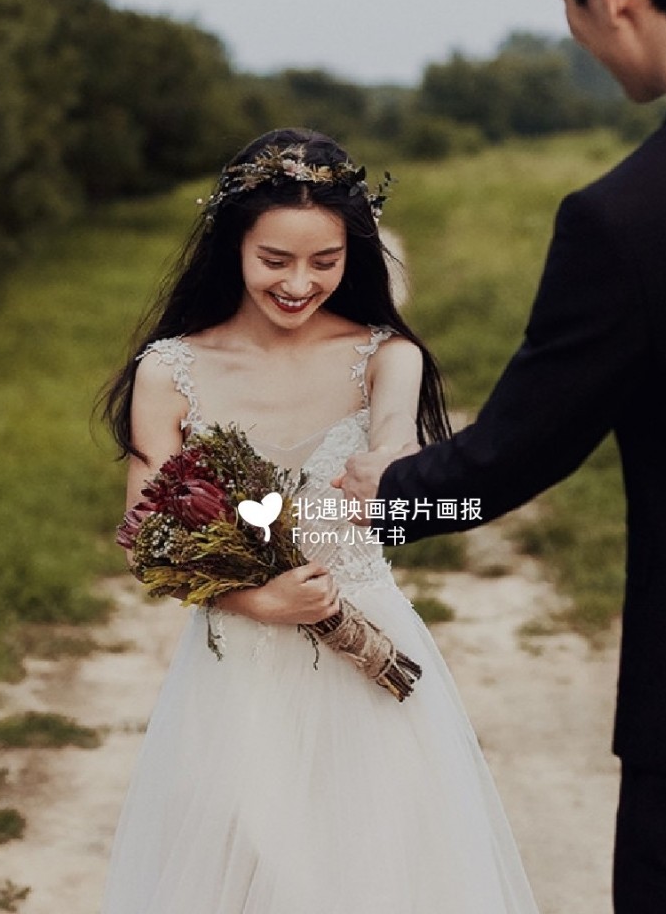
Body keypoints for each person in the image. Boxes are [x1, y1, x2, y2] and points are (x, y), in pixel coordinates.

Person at [340, 0, 666, 912]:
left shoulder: (631, 217)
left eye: (565, 0)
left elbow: (512, 455)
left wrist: (369, 498)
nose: (575, 31)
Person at [99, 127, 540, 914]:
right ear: (232, 247)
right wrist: (261, 602)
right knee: (252, 861)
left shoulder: (381, 357)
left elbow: (395, 440)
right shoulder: (169, 370)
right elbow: (146, 535)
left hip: (367, 653)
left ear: (354, 256)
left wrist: (391, 466)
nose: (299, 283)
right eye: (275, 260)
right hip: (237, 665)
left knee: (376, 869)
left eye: (324, 262)